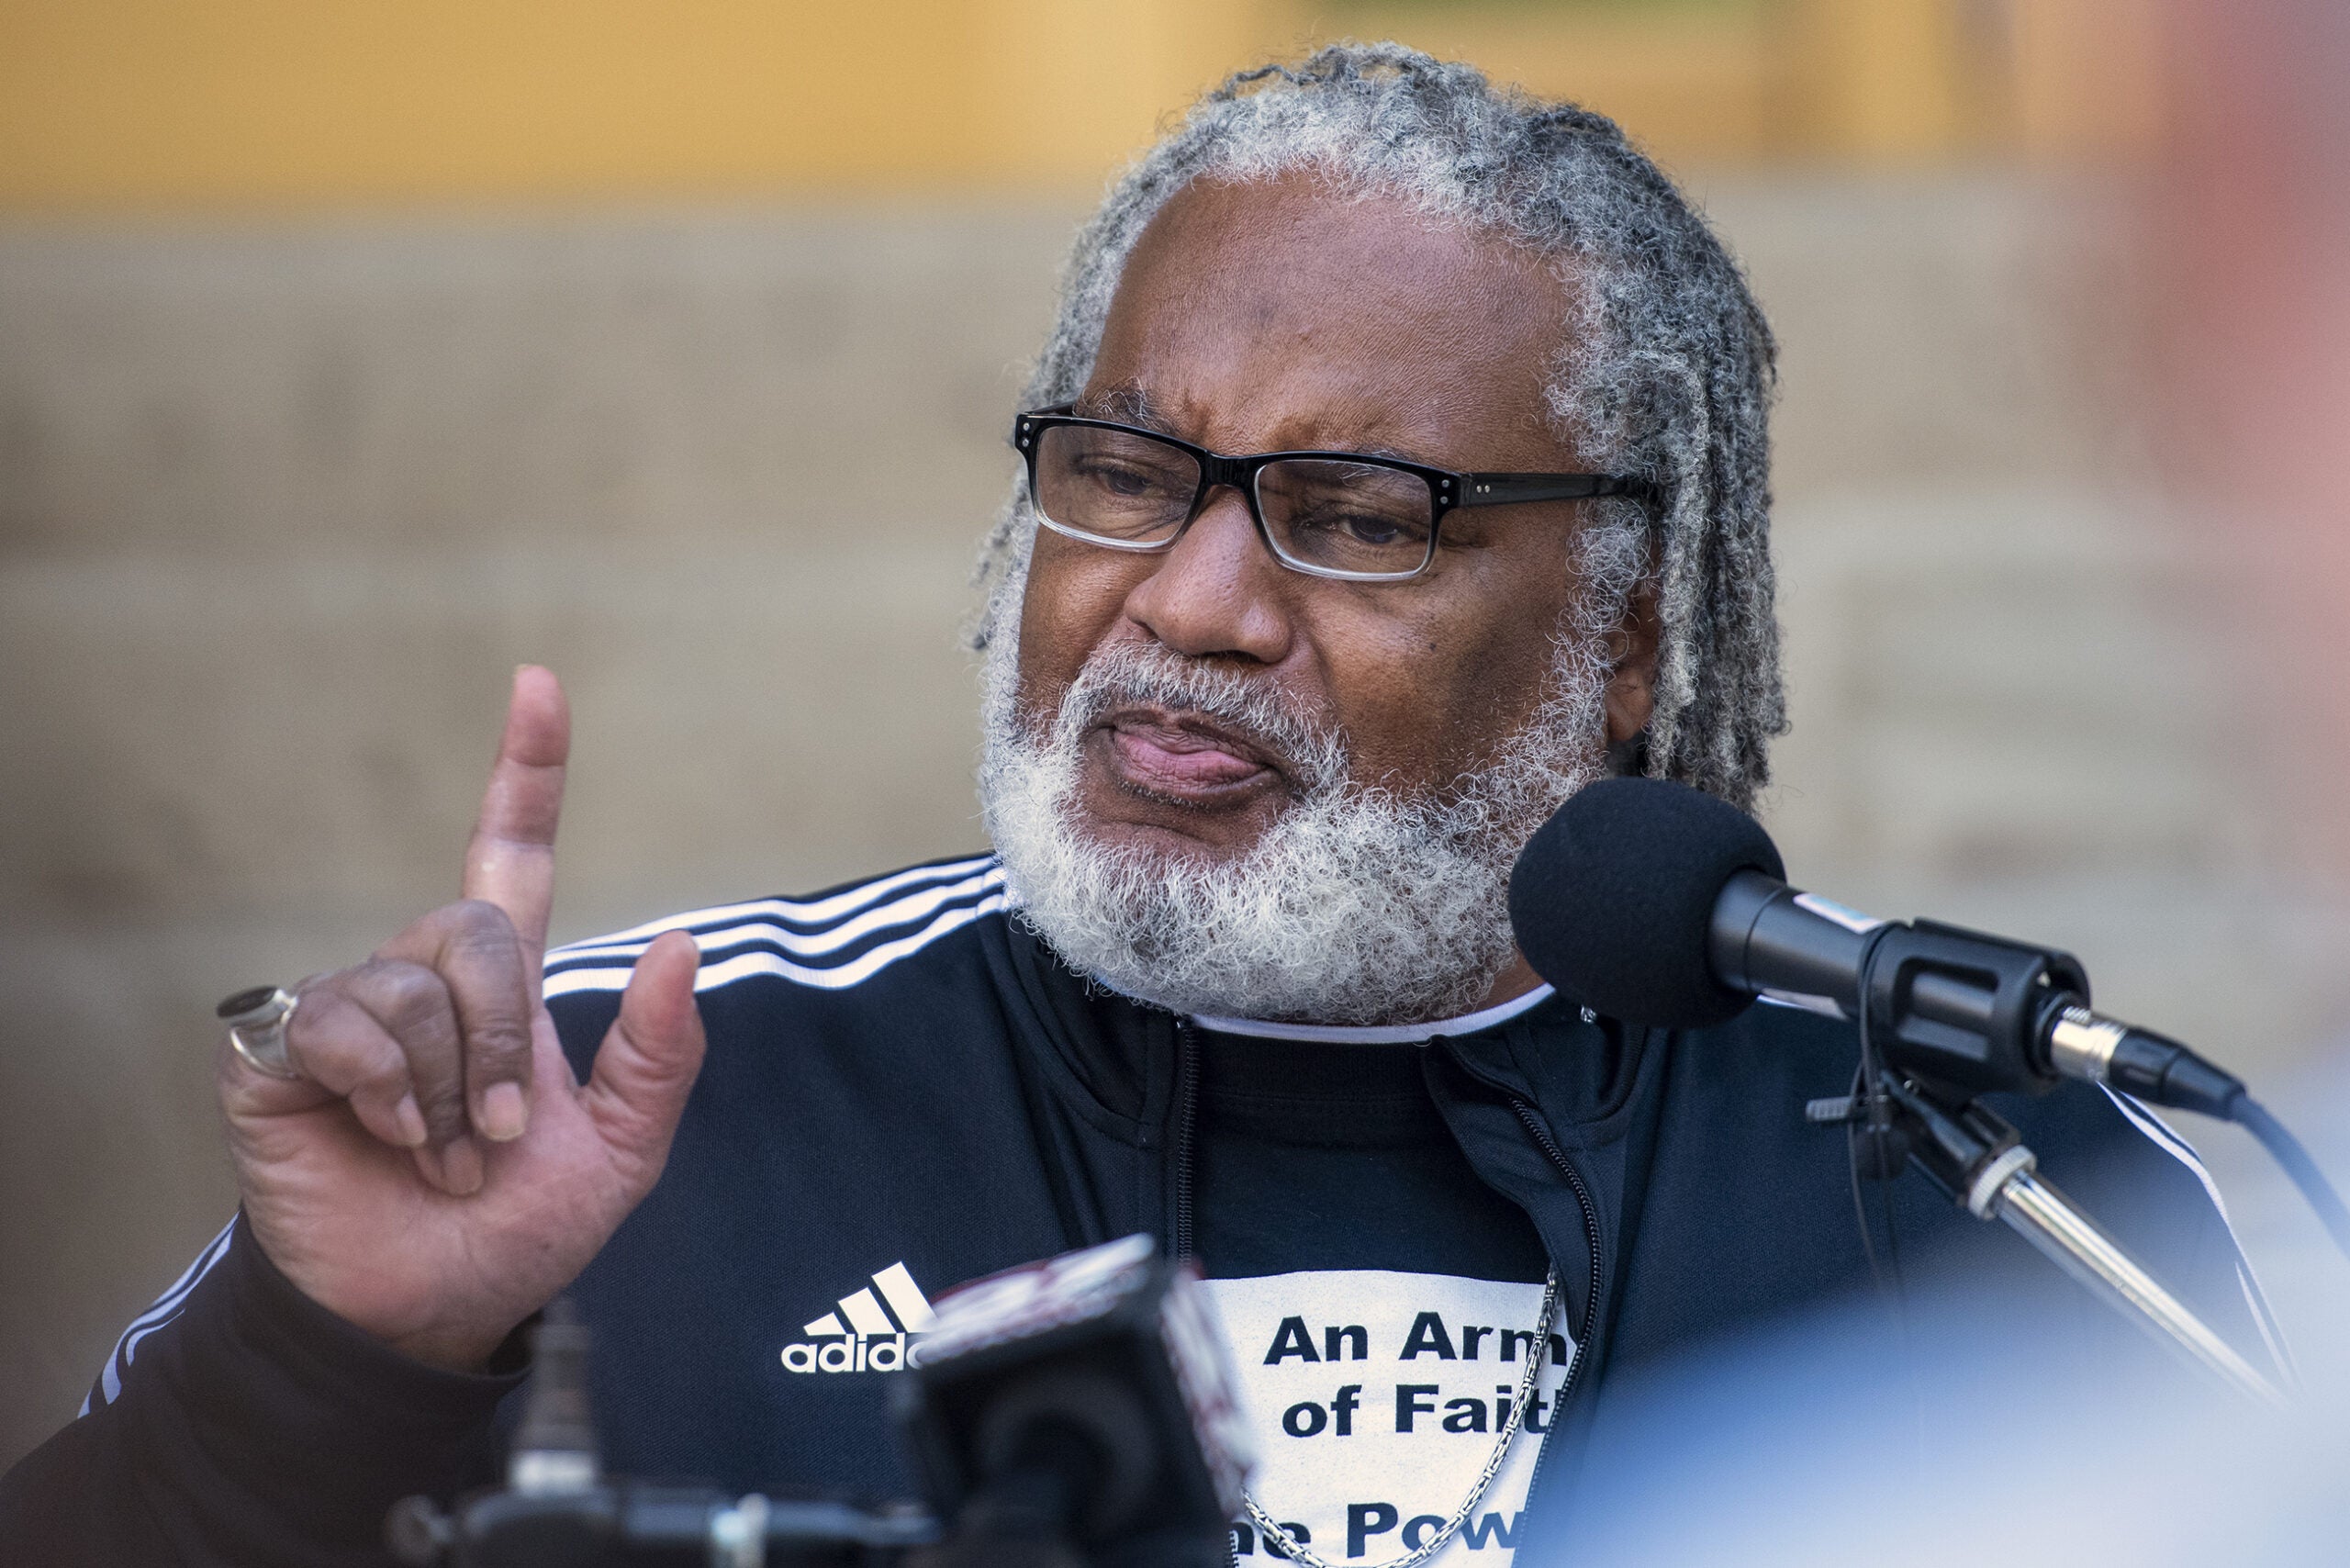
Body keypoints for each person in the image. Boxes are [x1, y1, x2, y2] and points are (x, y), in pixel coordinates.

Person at [0, 45, 2269, 1568]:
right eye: (1121, 474)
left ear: (1636, 628)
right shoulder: (630, 1104)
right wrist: (336, 1354)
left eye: (1353, 510)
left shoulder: (1978, 1164)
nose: (1184, 601)